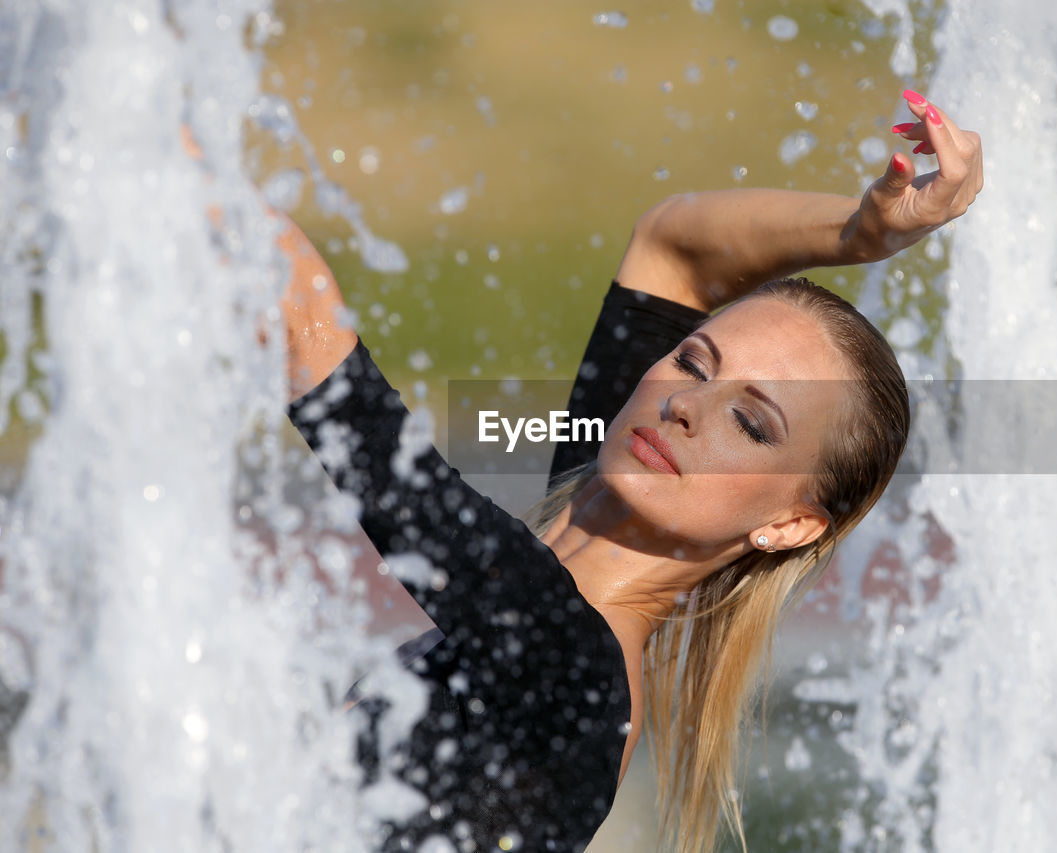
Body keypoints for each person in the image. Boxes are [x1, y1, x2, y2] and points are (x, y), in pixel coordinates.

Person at [283, 90, 981, 853]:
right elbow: (673, 250)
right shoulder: (592, 518)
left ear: (789, 523)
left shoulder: (573, 669)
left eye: (751, 423)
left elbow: (349, 406)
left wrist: (166, 154)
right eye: (691, 361)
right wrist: (859, 230)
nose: (687, 405)